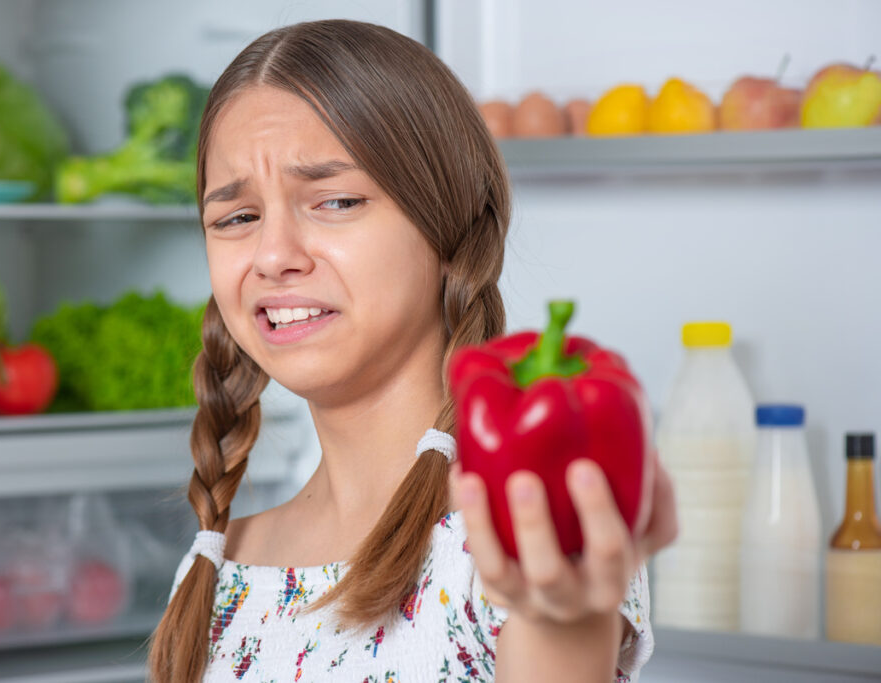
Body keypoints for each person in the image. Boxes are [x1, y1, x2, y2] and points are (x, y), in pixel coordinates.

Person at [148, 19, 677, 683]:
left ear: (447, 226)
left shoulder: (527, 541)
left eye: (336, 200)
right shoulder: (217, 567)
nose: (273, 256)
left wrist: (565, 624)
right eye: (236, 218)